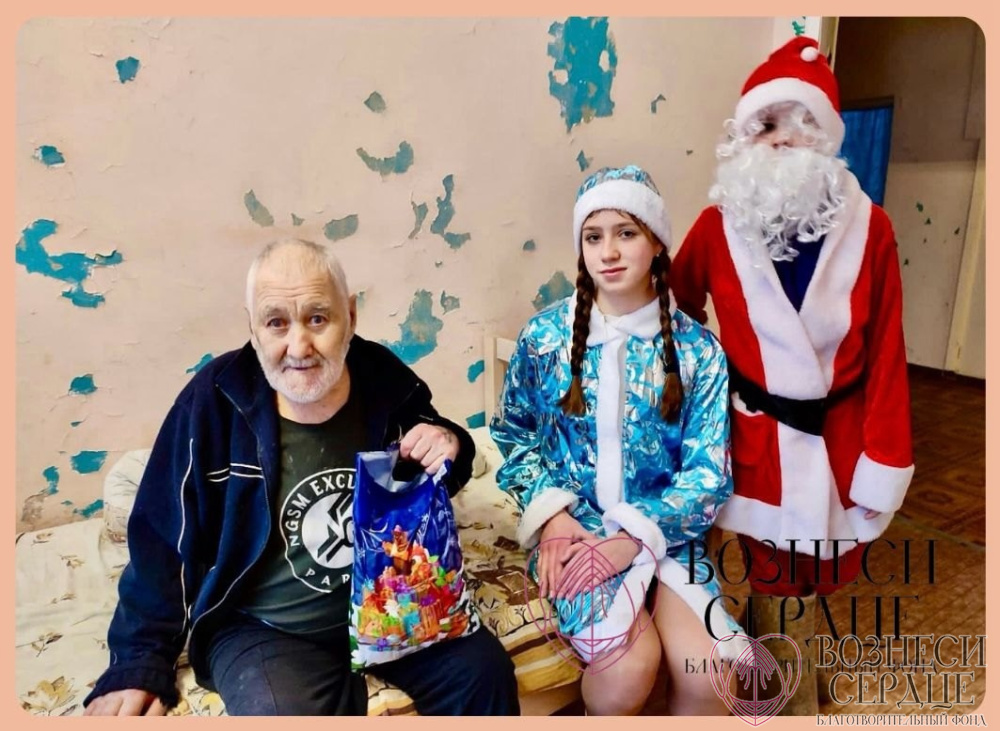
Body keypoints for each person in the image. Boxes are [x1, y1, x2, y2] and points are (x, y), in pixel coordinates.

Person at [83, 239, 519, 716]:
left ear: (349, 316)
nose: (298, 347)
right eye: (276, 323)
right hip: (263, 628)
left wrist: (450, 443)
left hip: (391, 601)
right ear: (252, 327)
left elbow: (439, 462)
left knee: (484, 673)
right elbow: (162, 537)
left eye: (317, 318)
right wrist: (138, 662)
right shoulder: (213, 400)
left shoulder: (381, 376)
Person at [671, 37, 914, 714]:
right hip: (755, 435)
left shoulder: (873, 228)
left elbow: (888, 349)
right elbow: (678, 311)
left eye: (799, 124)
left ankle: (784, 673)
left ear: (826, 137)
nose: (781, 139)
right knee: (769, 570)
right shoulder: (717, 227)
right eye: (766, 124)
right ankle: (781, 693)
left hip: (840, 436)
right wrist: (706, 394)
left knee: (821, 567)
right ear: (743, 138)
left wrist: (884, 457)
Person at [490, 166, 746, 716]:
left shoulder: (699, 352)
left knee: (709, 673)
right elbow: (513, 435)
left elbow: (708, 477)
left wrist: (632, 539)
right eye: (593, 236)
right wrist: (553, 517)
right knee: (626, 670)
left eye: (626, 233)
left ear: (656, 243)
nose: (607, 252)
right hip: (574, 532)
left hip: (668, 534)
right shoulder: (545, 338)